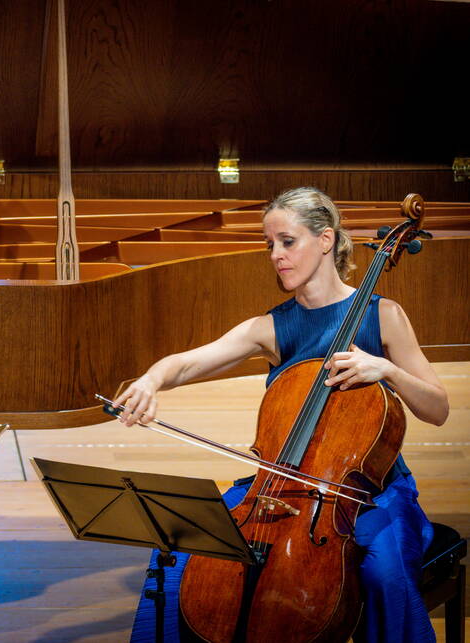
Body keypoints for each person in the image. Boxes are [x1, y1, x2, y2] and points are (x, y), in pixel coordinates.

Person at [115, 187, 448, 643]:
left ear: (326, 240)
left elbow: (438, 408)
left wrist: (386, 368)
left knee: (384, 577)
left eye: (287, 241)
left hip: (370, 493)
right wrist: (151, 380)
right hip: (276, 484)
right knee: (179, 549)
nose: (276, 255)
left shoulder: (383, 316)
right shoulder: (271, 327)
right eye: (270, 244)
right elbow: (188, 361)